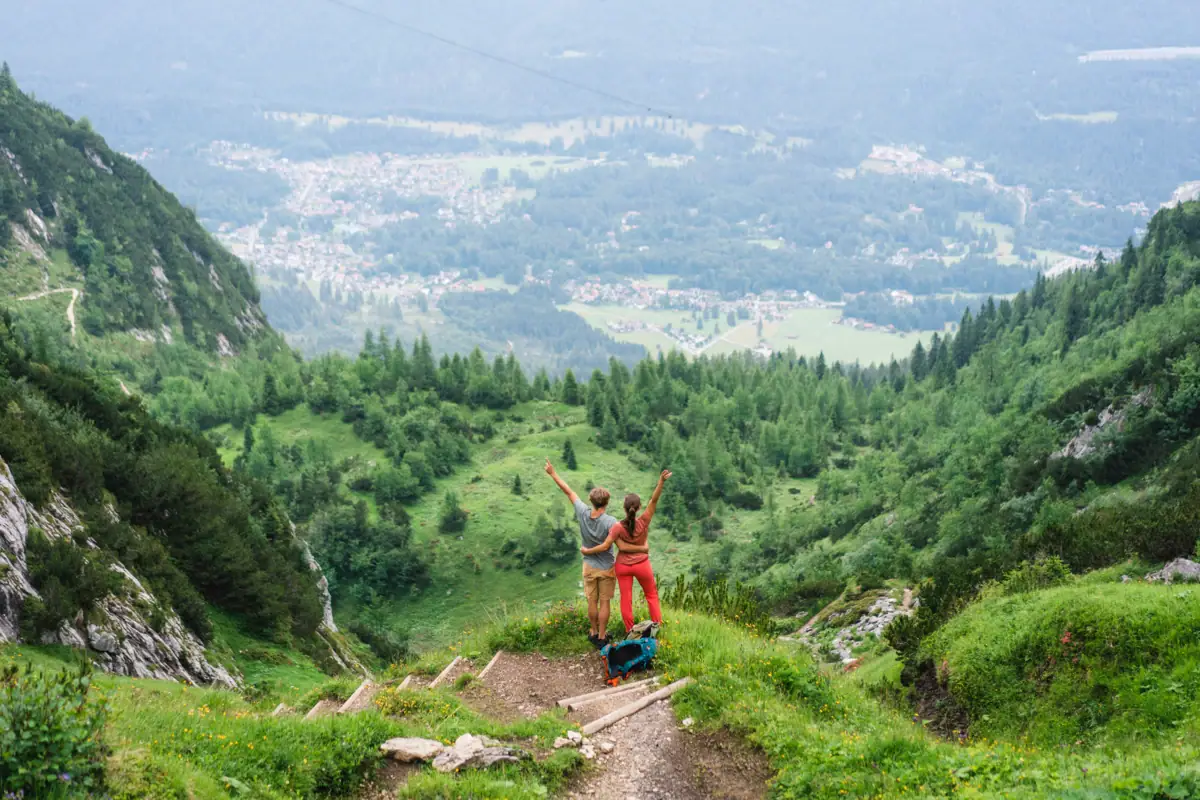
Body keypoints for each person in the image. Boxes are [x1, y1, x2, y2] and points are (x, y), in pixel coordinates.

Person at [582, 470, 670, 633]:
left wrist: (587, 551)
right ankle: (656, 628)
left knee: (626, 599)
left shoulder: (617, 527)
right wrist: (661, 482)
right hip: (643, 565)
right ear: (638, 508)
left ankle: (631, 631)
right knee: (651, 596)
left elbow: (606, 545)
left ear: (624, 508)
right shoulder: (644, 521)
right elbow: (654, 500)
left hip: (623, 567)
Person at [545, 458, 620, 648]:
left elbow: (568, 491)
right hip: (606, 567)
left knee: (591, 601)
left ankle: (593, 631)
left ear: (591, 501)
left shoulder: (582, 512)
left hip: (588, 565)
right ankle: (602, 636)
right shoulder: (611, 521)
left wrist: (553, 473)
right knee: (605, 602)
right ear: (607, 503)